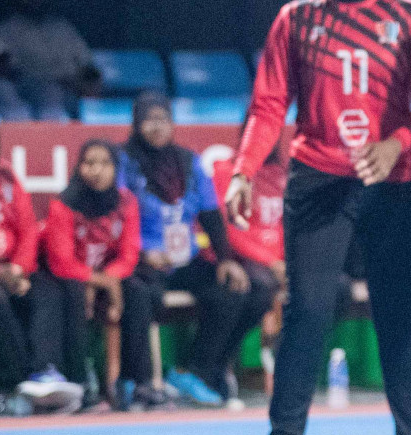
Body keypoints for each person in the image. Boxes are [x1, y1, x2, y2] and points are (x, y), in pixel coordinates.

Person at [228, 0, 411, 435]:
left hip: (394, 183)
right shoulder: (295, 20)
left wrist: (397, 142)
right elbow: (269, 104)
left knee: (400, 318)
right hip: (319, 179)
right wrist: (244, 171)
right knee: (306, 315)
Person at [119, 92, 271, 408]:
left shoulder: (189, 162)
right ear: (136, 124)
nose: (156, 127)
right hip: (142, 261)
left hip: (184, 259)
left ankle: (197, 370)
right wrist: (142, 252)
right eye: (148, 120)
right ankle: (138, 382)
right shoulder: (124, 162)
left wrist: (226, 260)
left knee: (241, 289)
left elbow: (211, 215)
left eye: (162, 119)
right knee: (139, 293)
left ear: (172, 123)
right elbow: (117, 215)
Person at [33, 139, 140, 410]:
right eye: (89, 163)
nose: (97, 170)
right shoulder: (64, 203)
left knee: (138, 291)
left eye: (105, 164)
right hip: (64, 277)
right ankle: (80, 382)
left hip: (106, 275)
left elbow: (129, 255)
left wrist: (110, 278)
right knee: (75, 293)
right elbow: (61, 262)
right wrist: (98, 280)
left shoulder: (126, 202)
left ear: (115, 169)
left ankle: (134, 382)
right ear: (78, 168)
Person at [0, 117, 74, 411]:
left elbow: (26, 229)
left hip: (11, 268)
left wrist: (19, 268)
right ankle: (12, 382)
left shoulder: (9, 179)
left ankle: (43, 373)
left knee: (48, 290)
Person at [211, 130, 288, 405]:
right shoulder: (228, 172)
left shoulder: (284, 175)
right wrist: (271, 262)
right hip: (246, 262)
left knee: (332, 287)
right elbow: (231, 229)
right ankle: (220, 366)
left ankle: (291, 370)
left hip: (282, 263)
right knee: (257, 288)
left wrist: (290, 262)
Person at [0, 0, 100, 120]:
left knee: (56, 95)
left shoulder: (63, 28)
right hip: (28, 93)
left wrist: (85, 84)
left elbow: (89, 68)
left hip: (69, 95)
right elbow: (5, 72)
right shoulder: (5, 31)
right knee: (48, 92)